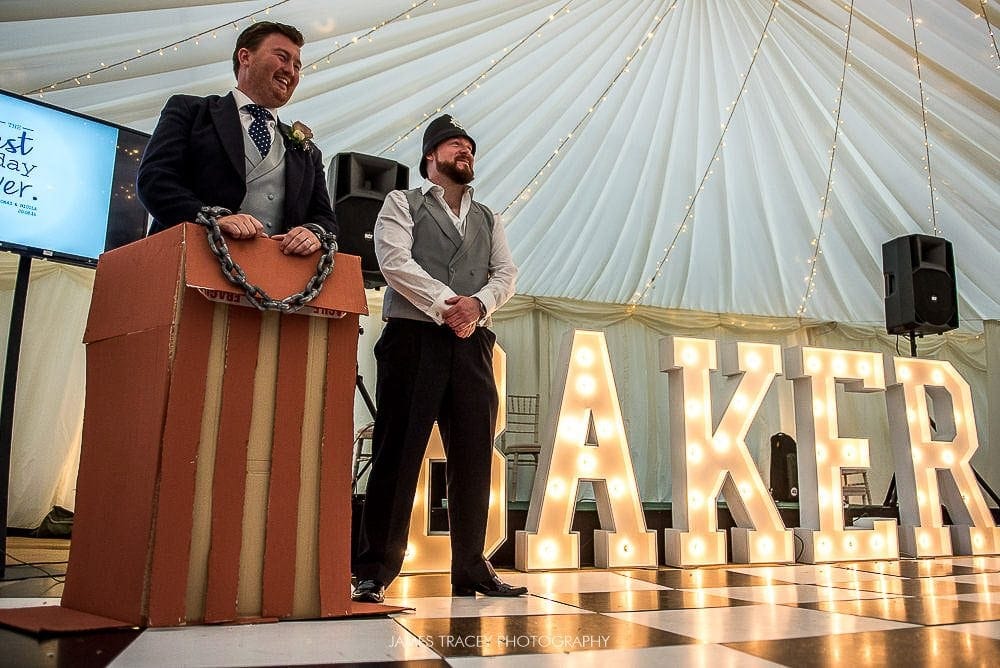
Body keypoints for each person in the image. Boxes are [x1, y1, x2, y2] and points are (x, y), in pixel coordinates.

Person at [352, 114, 523, 603]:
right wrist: (449, 305)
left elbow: (505, 273)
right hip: (413, 338)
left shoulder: (490, 217)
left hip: (473, 344)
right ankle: (375, 569)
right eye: (453, 145)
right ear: (431, 159)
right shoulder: (401, 202)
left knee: (473, 455)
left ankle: (471, 566)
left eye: (469, 146)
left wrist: (479, 306)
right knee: (398, 451)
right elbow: (393, 261)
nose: (464, 151)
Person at [137, 21, 336, 254]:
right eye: (282, 57)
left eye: (297, 65)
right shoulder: (191, 111)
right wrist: (212, 218)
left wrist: (312, 232)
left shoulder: (307, 151)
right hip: (189, 259)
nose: (290, 71)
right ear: (245, 57)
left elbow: (325, 217)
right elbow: (155, 180)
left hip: (274, 281)